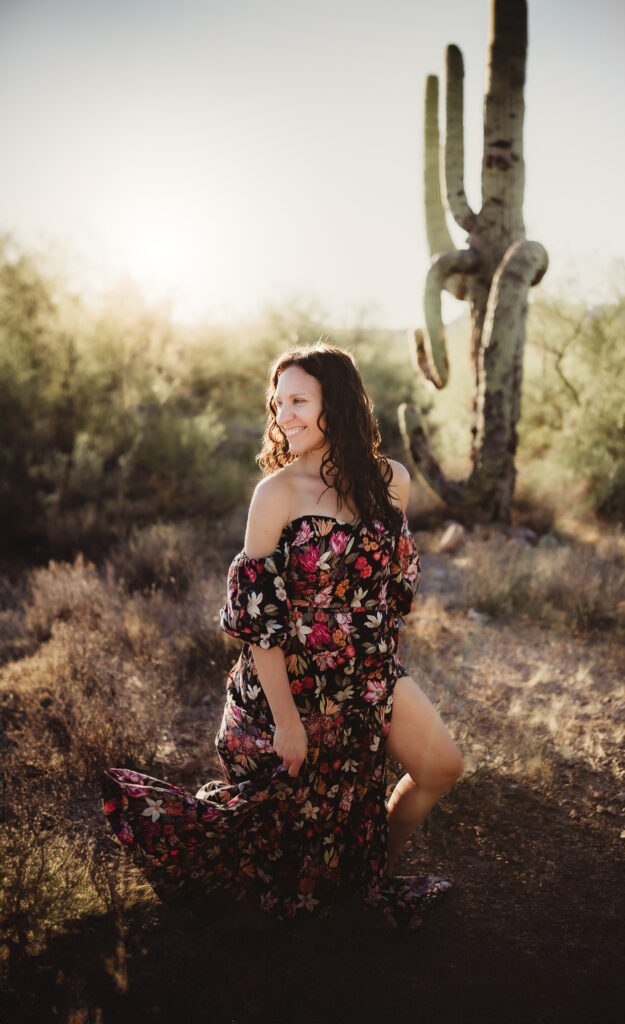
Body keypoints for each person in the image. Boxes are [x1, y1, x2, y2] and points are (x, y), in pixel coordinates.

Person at [102, 343, 463, 925]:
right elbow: (257, 625)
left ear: (337, 404)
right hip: (285, 691)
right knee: (287, 861)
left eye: (299, 399)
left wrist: (369, 669)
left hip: (365, 678)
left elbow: (389, 587)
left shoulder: (391, 480)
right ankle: (337, 893)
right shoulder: (275, 494)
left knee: (443, 766)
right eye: (278, 403)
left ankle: (367, 881)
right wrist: (290, 722)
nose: (283, 414)